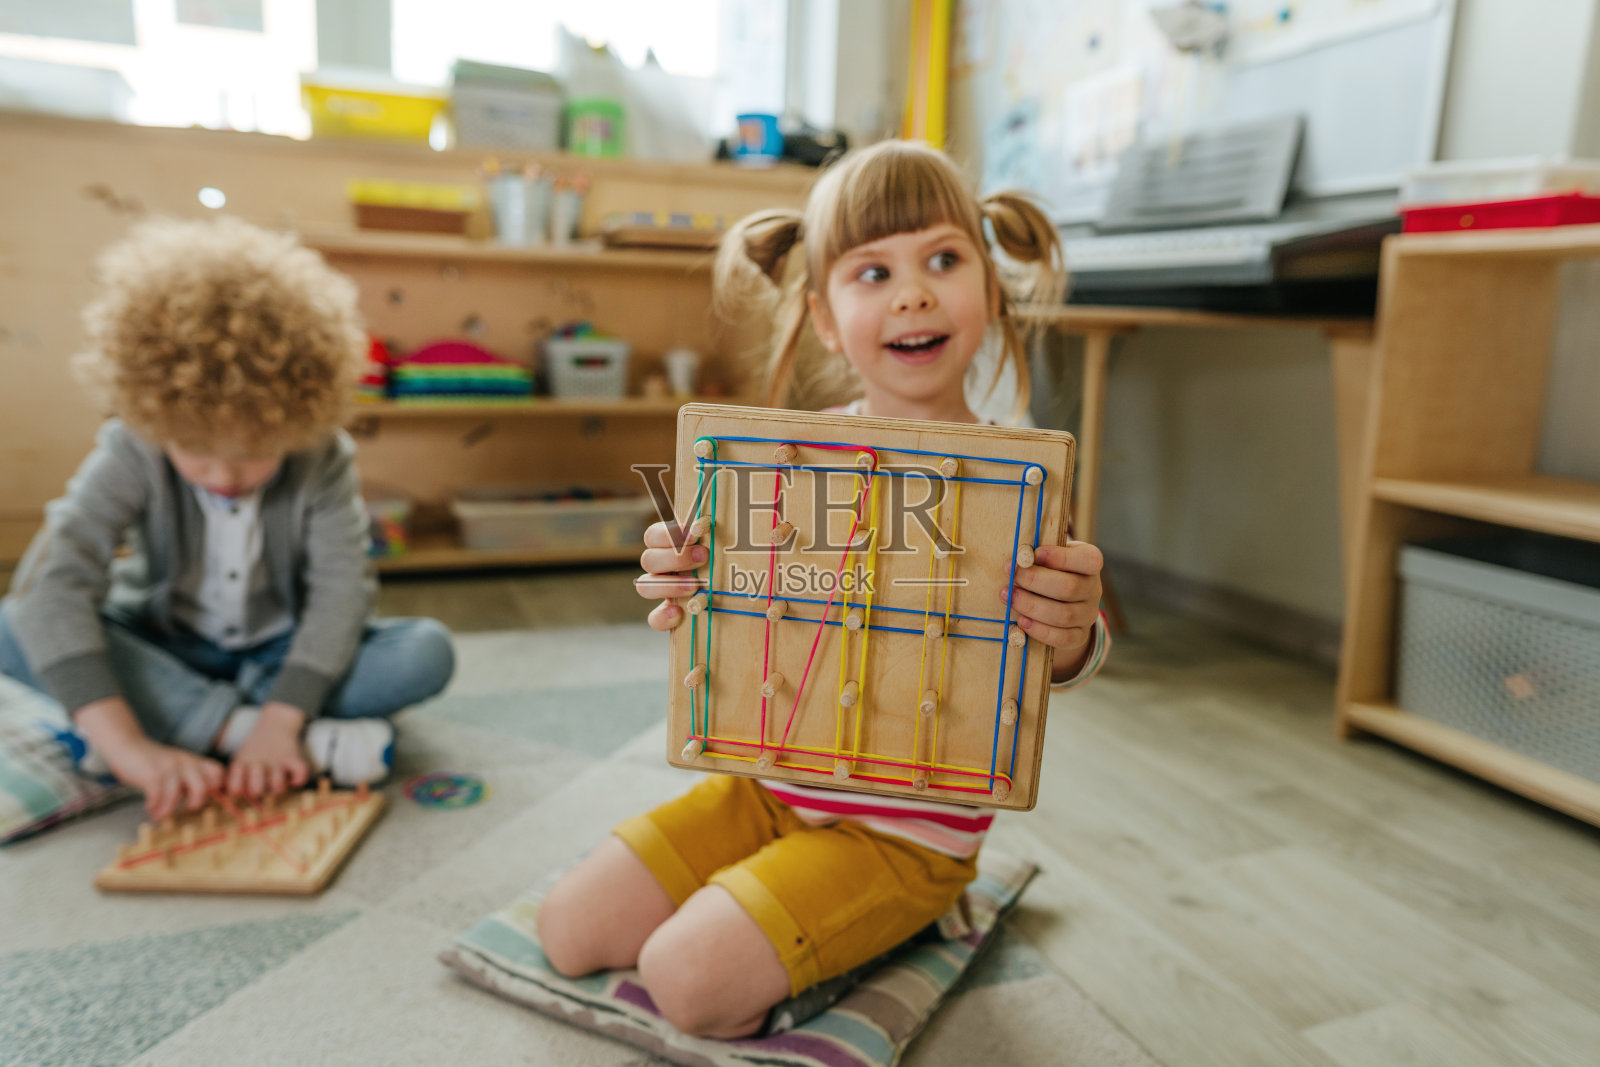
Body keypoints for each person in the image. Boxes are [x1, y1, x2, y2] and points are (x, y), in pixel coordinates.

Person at [536, 141, 1108, 1037]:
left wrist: (1071, 630)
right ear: (828, 320)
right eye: (872, 271)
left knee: (684, 980)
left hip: (910, 834)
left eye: (944, 260)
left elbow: (1066, 647)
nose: (913, 293)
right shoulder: (786, 459)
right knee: (569, 931)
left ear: (991, 291)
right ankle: (783, 907)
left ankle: (908, 922)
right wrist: (683, 576)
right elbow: (728, 610)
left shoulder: (1019, 478)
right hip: (773, 788)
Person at [0, 217, 454, 823]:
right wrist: (127, 748)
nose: (223, 477)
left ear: (297, 420)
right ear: (154, 415)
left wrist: (281, 716)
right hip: (168, 650)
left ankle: (221, 727)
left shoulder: (320, 456)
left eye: (253, 455)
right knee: (13, 626)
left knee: (424, 652)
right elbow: (50, 588)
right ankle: (244, 735)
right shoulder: (134, 447)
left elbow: (340, 596)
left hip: (279, 659)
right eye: (196, 454)